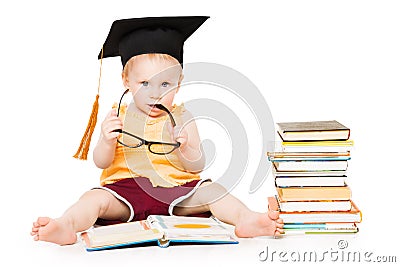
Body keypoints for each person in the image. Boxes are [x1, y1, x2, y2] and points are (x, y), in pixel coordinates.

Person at [31, 16, 284, 246]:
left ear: (180, 82)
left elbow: (197, 165)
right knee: (93, 198)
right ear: (126, 81)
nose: (155, 93)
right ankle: (67, 225)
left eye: (165, 84)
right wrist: (107, 141)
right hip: (126, 191)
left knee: (213, 192)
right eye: (144, 83)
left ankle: (246, 219)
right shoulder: (117, 116)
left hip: (177, 190)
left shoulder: (183, 117)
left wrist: (186, 148)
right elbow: (101, 162)